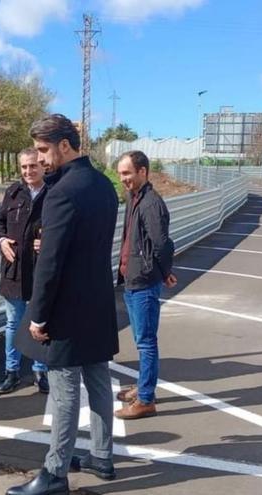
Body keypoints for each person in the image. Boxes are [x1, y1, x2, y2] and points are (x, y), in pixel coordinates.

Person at [6, 114, 120, 495]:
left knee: (65, 388)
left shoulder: (62, 191)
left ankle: (54, 473)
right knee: (99, 380)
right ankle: (102, 457)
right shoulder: (104, 185)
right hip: (98, 301)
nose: (39, 159)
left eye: (42, 150)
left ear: (65, 146)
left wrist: (38, 315)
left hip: (66, 309)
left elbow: (51, 264)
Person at [113, 150, 176, 420]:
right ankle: (142, 387)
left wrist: (164, 272)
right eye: (120, 174)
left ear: (143, 172)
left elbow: (162, 244)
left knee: (146, 342)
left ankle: (146, 399)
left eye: (127, 173)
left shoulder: (151, 203)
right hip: (132, 279)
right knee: (142, 339)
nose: (123, 179)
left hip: (143, 282)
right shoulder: (134, 197)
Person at [0, 147, 50, 395]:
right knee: (14, 322)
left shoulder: (54, 194)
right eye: (24, 166)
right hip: (14, 268)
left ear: (43, 166)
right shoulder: (13, 193)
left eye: (33, 165)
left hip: (42, 269)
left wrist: (49, 241)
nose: (28, 171)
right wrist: (1, 241)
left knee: (40, 322)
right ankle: (11, 371)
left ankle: (40, 370)